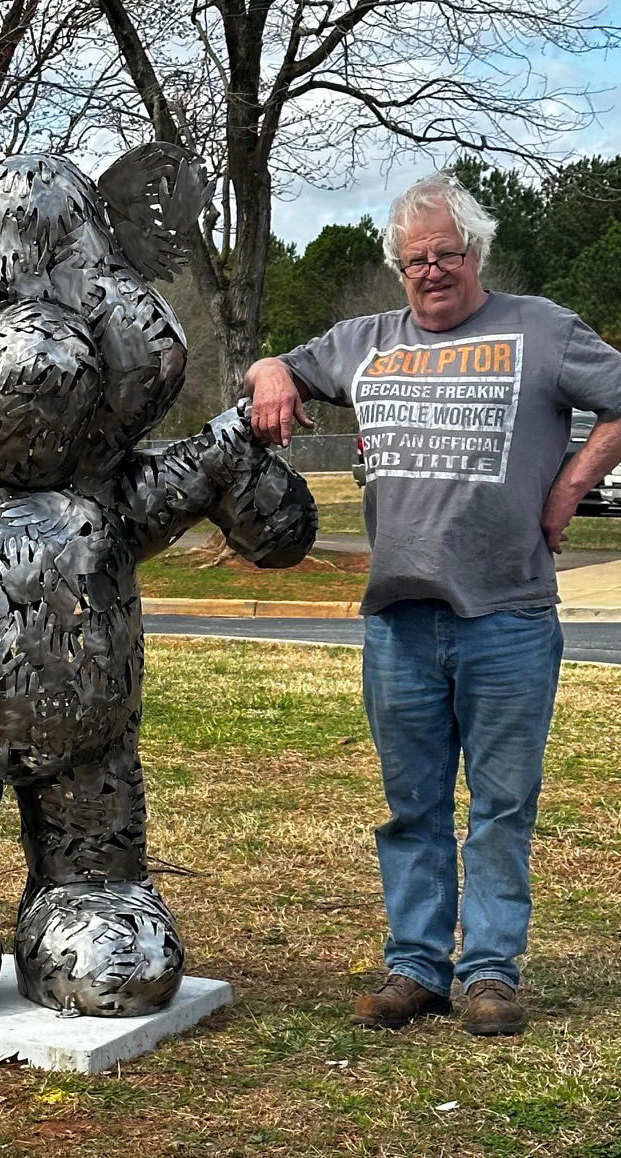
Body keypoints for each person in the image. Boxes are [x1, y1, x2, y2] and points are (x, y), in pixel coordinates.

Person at [245, 173, 621, 1036]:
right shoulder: (365, 341)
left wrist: (568, 487)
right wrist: (269, 369)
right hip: (398, 623)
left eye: (445, 253)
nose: (430, 271)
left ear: (475, 252)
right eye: (413, 259)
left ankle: (489, 971)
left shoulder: (541, 330)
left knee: (498, 806)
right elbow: (285, 367)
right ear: (396, 268)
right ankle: (416, 965)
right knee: (410, 807)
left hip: (508, 615)